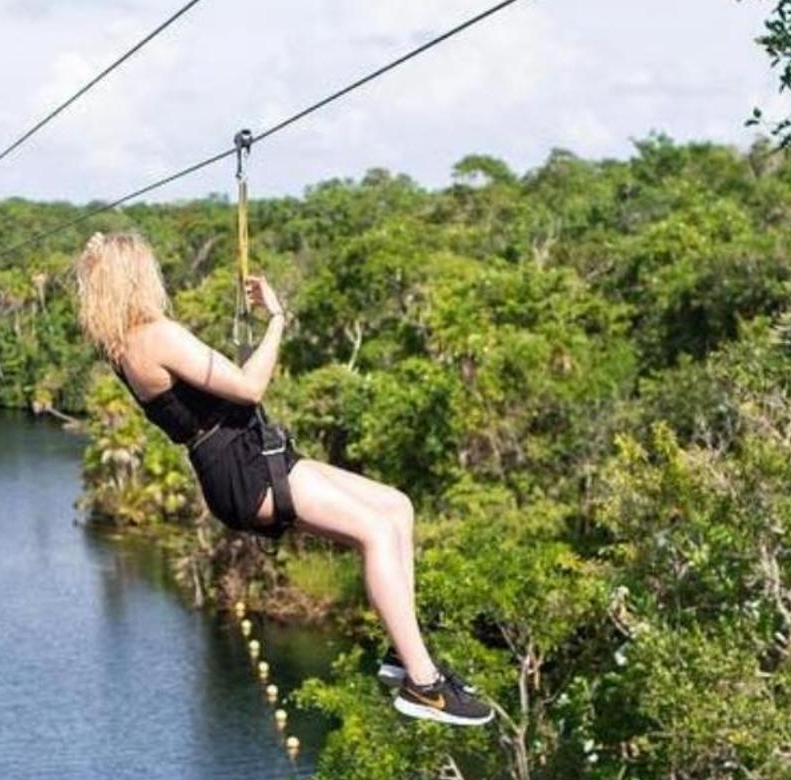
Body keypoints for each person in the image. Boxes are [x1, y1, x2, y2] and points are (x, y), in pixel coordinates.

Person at [75, 231, 491, 727]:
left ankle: (404, 653)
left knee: (396, 506)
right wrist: (276, 320)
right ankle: (424, 686)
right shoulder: (155, 336)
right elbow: (249, 387)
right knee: (376, 532)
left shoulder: (122, 344)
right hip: (245, 471)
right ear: (138, 279)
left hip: (250, 457)